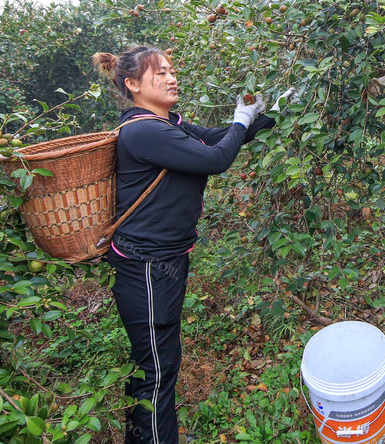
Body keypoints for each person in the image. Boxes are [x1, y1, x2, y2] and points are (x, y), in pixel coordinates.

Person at [93, 46, 295, 444]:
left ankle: (153, 436)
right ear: (132, 85)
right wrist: (240, 119)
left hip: (163, 263)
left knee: (159, 362)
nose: (171, 78)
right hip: (146, 268)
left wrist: (275, 111)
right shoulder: (143, 130)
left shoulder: (169, 124)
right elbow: (217, 159)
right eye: (159, 74)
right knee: (155, 369)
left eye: (171, 70)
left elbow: (224, 138)